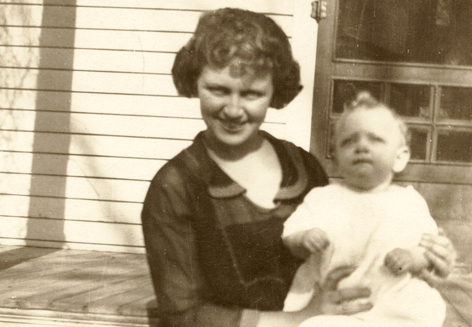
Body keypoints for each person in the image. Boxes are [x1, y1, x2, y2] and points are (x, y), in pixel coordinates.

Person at [141, 7, 455, 327]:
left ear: (274, 91)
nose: (233, 109)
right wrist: (298, 319)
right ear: (195, 83)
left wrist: (426, 260)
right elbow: (183, 314)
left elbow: (353, 248)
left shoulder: (300, 166)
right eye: (218, 90)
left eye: (251, 93)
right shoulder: (176, 187)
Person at [282, 92, 446, 327]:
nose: (361, 146)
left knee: (421, 310)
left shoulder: (409, 202)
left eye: (375, 139)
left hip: (396, 306)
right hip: (337, 307)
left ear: (399, 158)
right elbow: (291, 233)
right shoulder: (323, 198)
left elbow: (426, 250)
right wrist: (304, 237)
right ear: (336, 158)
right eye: (348, 141)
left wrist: (410, 257)